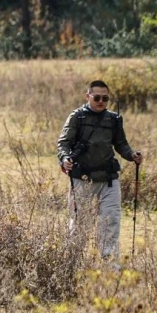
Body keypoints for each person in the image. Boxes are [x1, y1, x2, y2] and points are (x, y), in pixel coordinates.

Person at [57, 80, 143, 262]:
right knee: (80, 224)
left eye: (105, 98)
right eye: (97, 97)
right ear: (87, 96)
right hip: (82, 178)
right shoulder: (77, 117)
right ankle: (73, 263)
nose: (101, 101)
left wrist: (131, 155)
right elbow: (63, 143)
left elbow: (121, 144)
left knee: (111, 221)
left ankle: (110, 265)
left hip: (108, 180)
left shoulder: (113, 119)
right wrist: (65, 159)